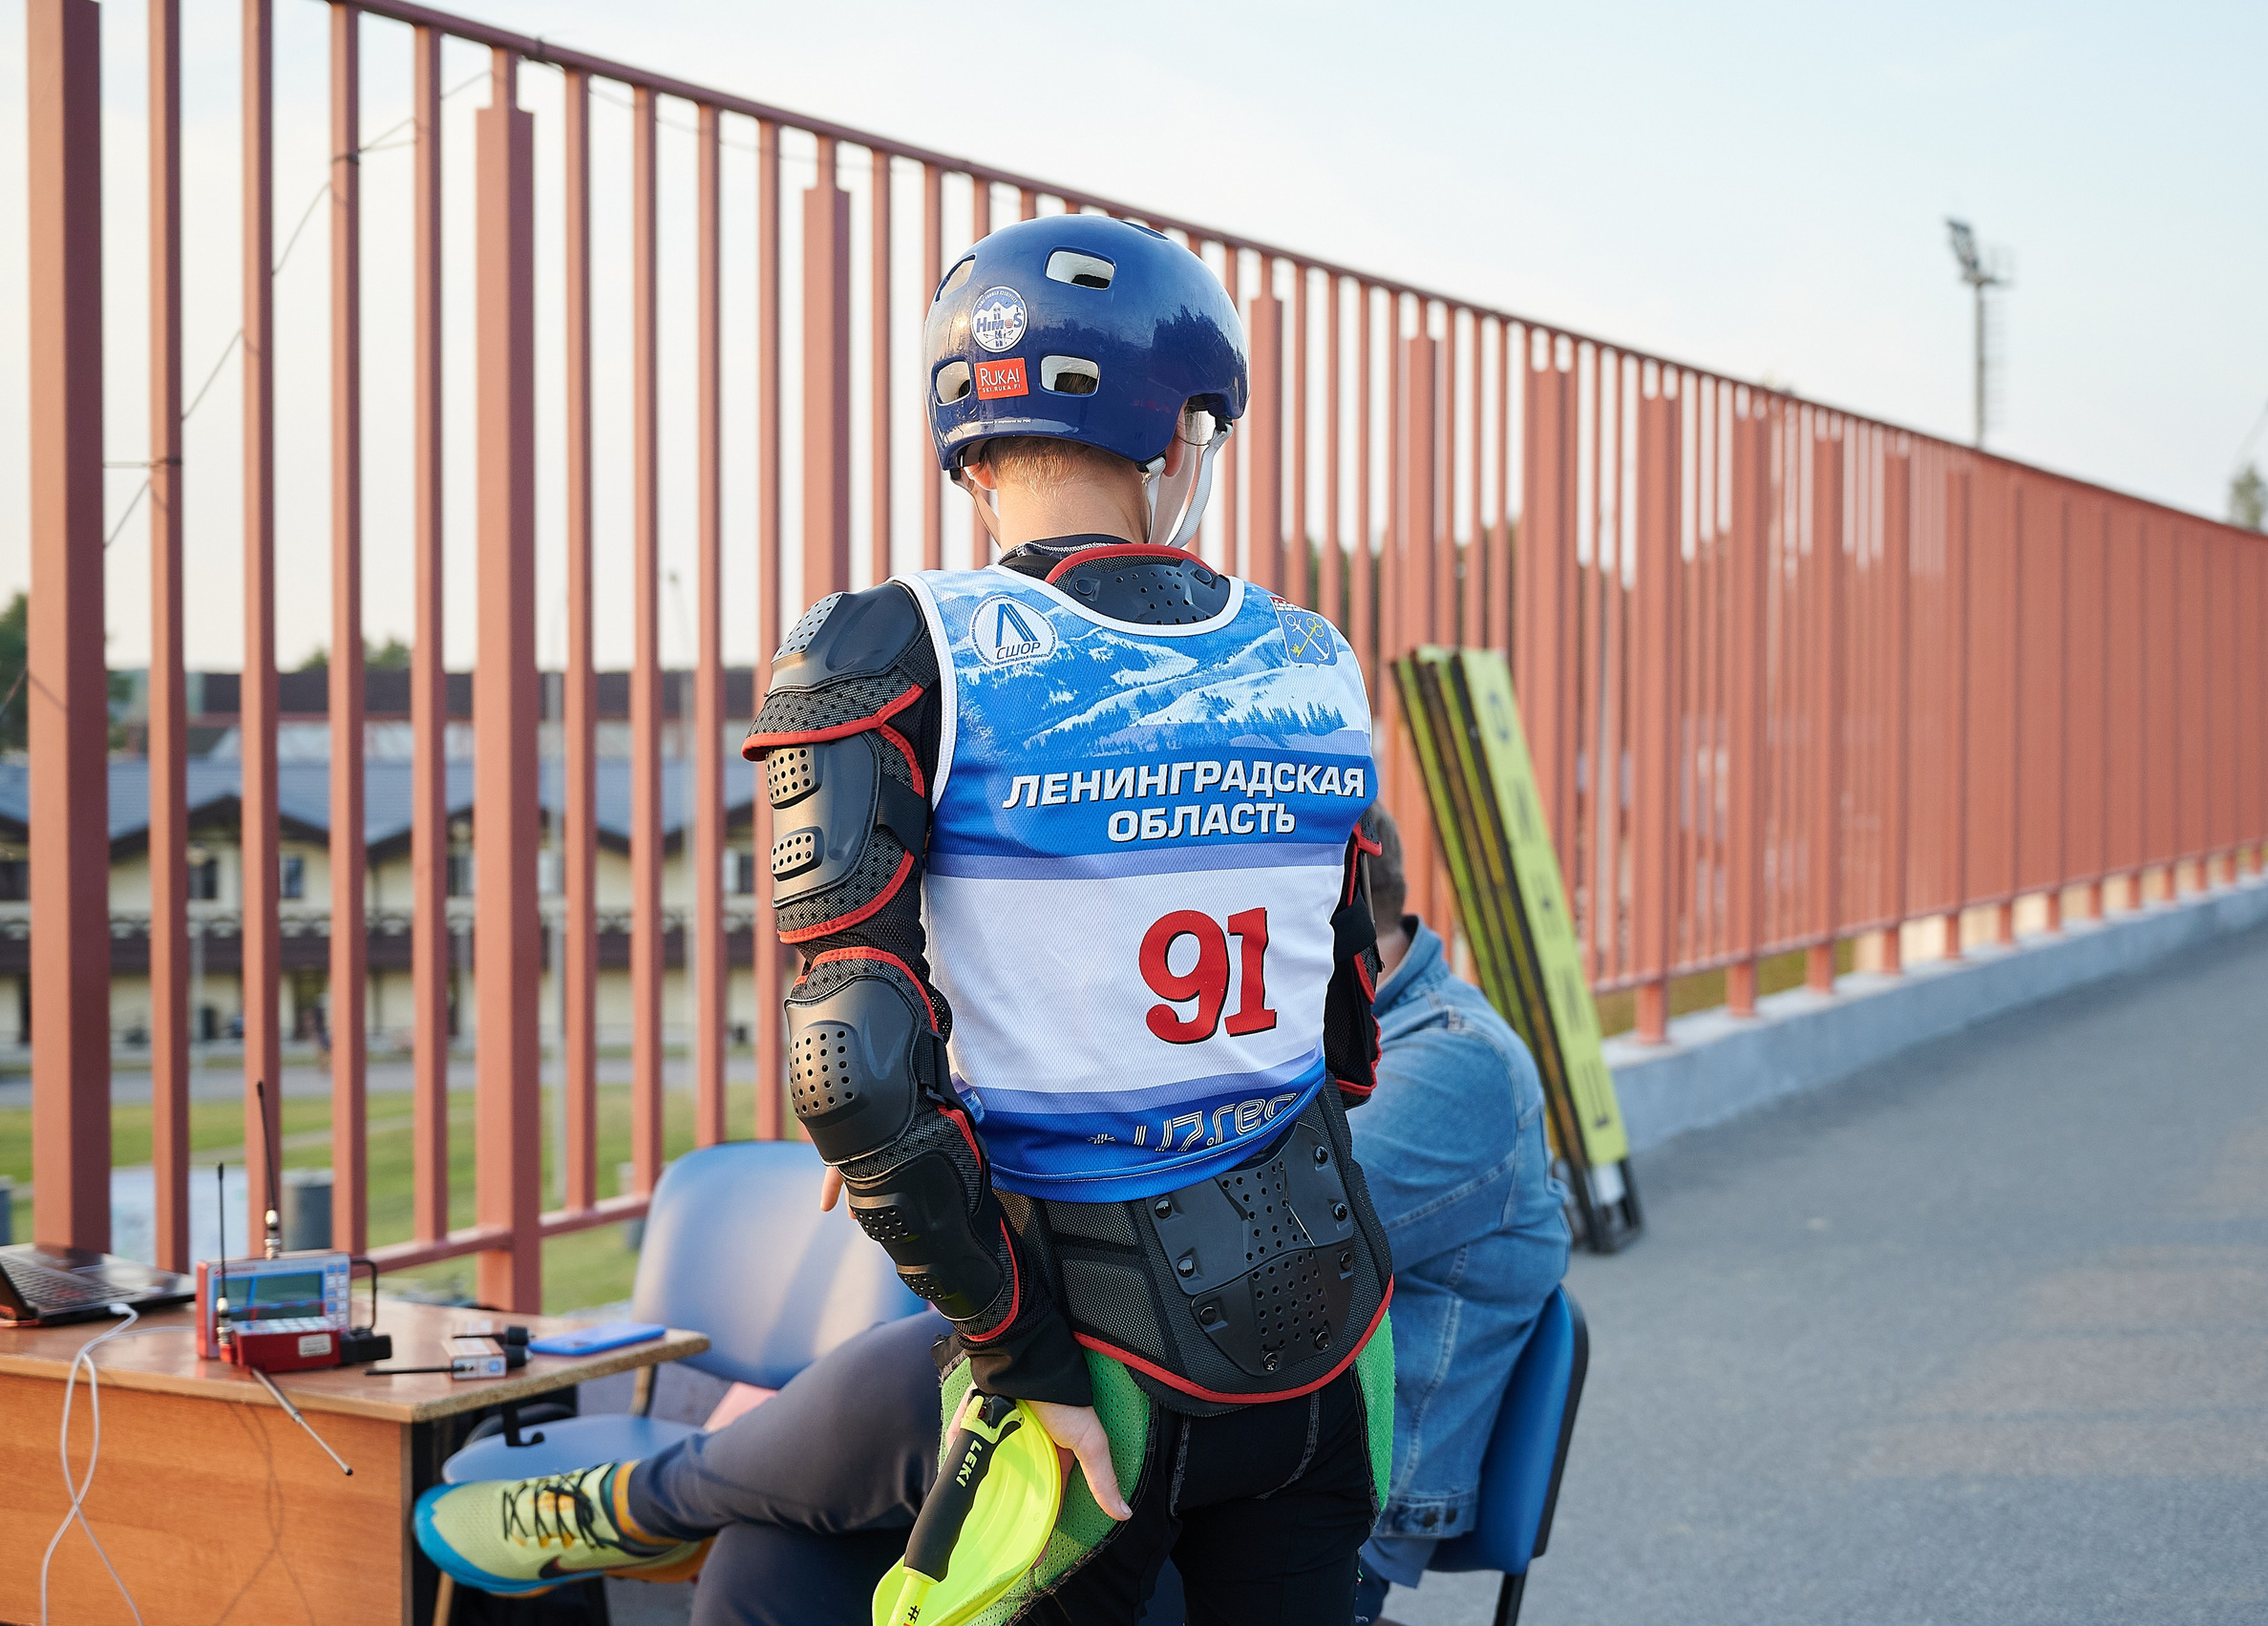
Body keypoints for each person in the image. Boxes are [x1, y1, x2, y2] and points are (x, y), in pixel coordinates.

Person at [419, 213, 1396, 1626]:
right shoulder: (1316, 659)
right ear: (1178, 431)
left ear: (966, 444)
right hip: (1328, 1333)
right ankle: (639, 1508)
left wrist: (1022, 1347)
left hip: (1094, 1364)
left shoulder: (894, 640)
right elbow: (1342, 1034)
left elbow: (853, 1070)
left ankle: (624, 1511)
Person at [413, 803, 1572, 1626]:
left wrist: (942, 1160)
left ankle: (648, 1495)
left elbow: (1204, 1276)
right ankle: (663, 1498)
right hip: (1125, 1446)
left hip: (1283, 1501)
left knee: (956, 1375)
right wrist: (942, 1145)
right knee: (778, 1556)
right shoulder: (1248, 1038)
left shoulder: (1454, 1070)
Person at [1342, 805, 1572, 1625]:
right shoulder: (1335, 1031)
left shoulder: (1455, 1061)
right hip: (1263, 1450)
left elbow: (1286, 1255)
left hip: (1343, 1507)